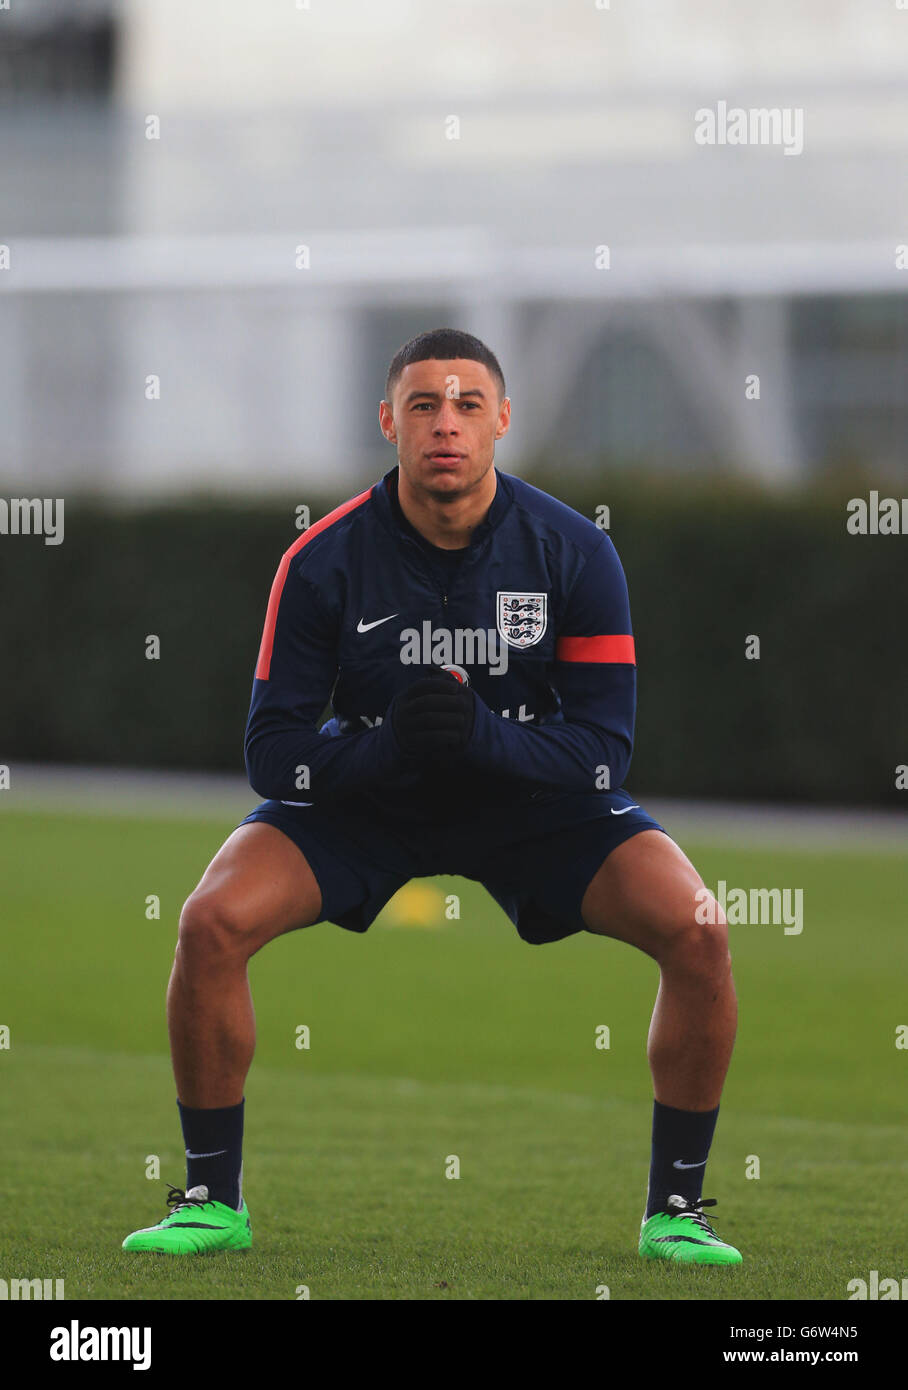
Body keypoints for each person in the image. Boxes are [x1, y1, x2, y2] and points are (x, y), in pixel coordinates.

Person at [122, 328, 741, 1266]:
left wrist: (485, 737)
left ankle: (678, 1213)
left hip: (535, 804)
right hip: (373, 800)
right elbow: (271, 751)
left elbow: (605, 753)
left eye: (464, 405)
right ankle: (212, 1198)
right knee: (210, 921)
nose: (443, 425)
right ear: (389, 423)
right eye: (422, 405)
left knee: (698, 928)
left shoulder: (575, 552)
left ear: (500, 420)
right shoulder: (322, 560)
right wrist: (386, 751)